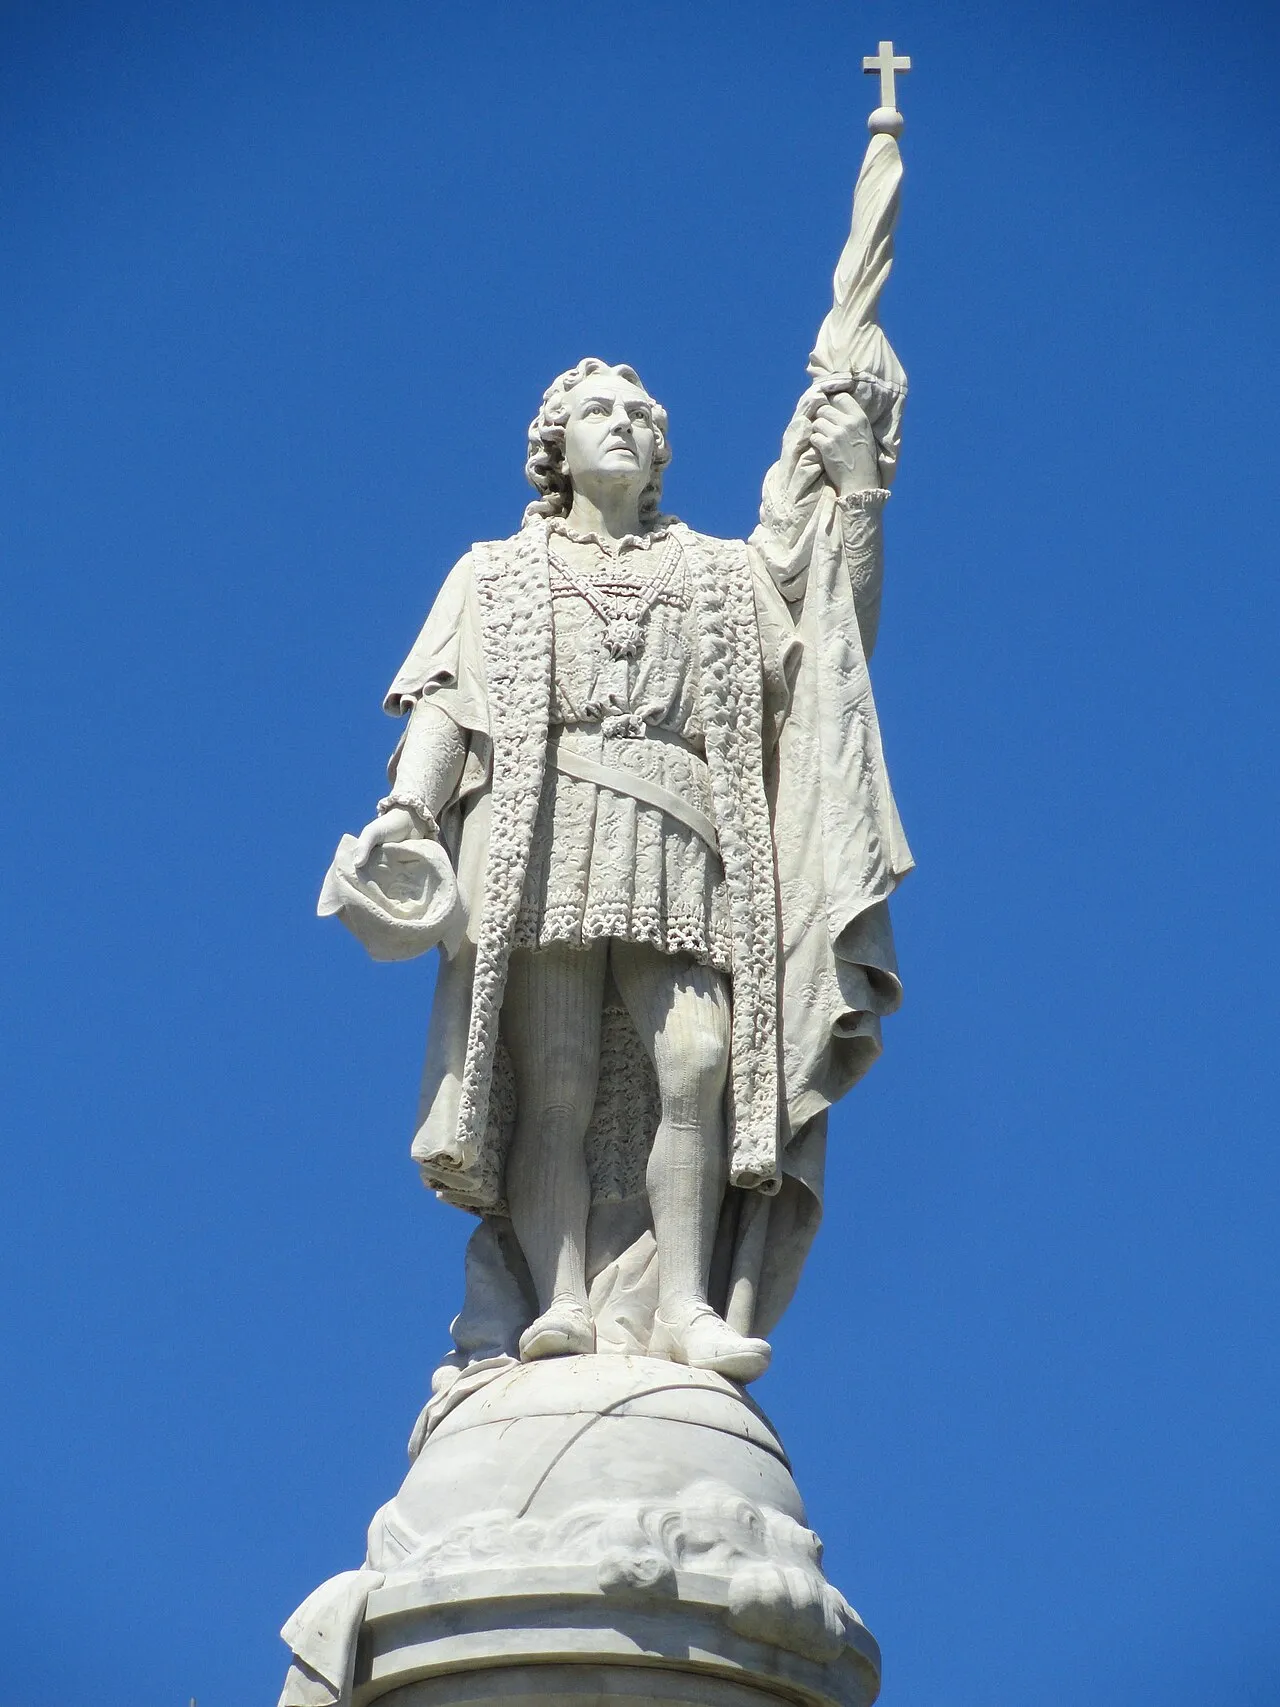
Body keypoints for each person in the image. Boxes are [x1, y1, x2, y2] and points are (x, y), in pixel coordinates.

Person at [325, 357, 912, 1385]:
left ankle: (681, 1304)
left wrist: (854, 482)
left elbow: (829, 637)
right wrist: (409, 811)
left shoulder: (721, 571)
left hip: (685, 830)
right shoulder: (493, 571)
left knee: (695, 1060)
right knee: (556, 1080)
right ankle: (559, 1301)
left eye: (642, 416)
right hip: (540, 831)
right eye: (599, 412)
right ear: (555, 446)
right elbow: (447, 704)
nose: (625, 426)